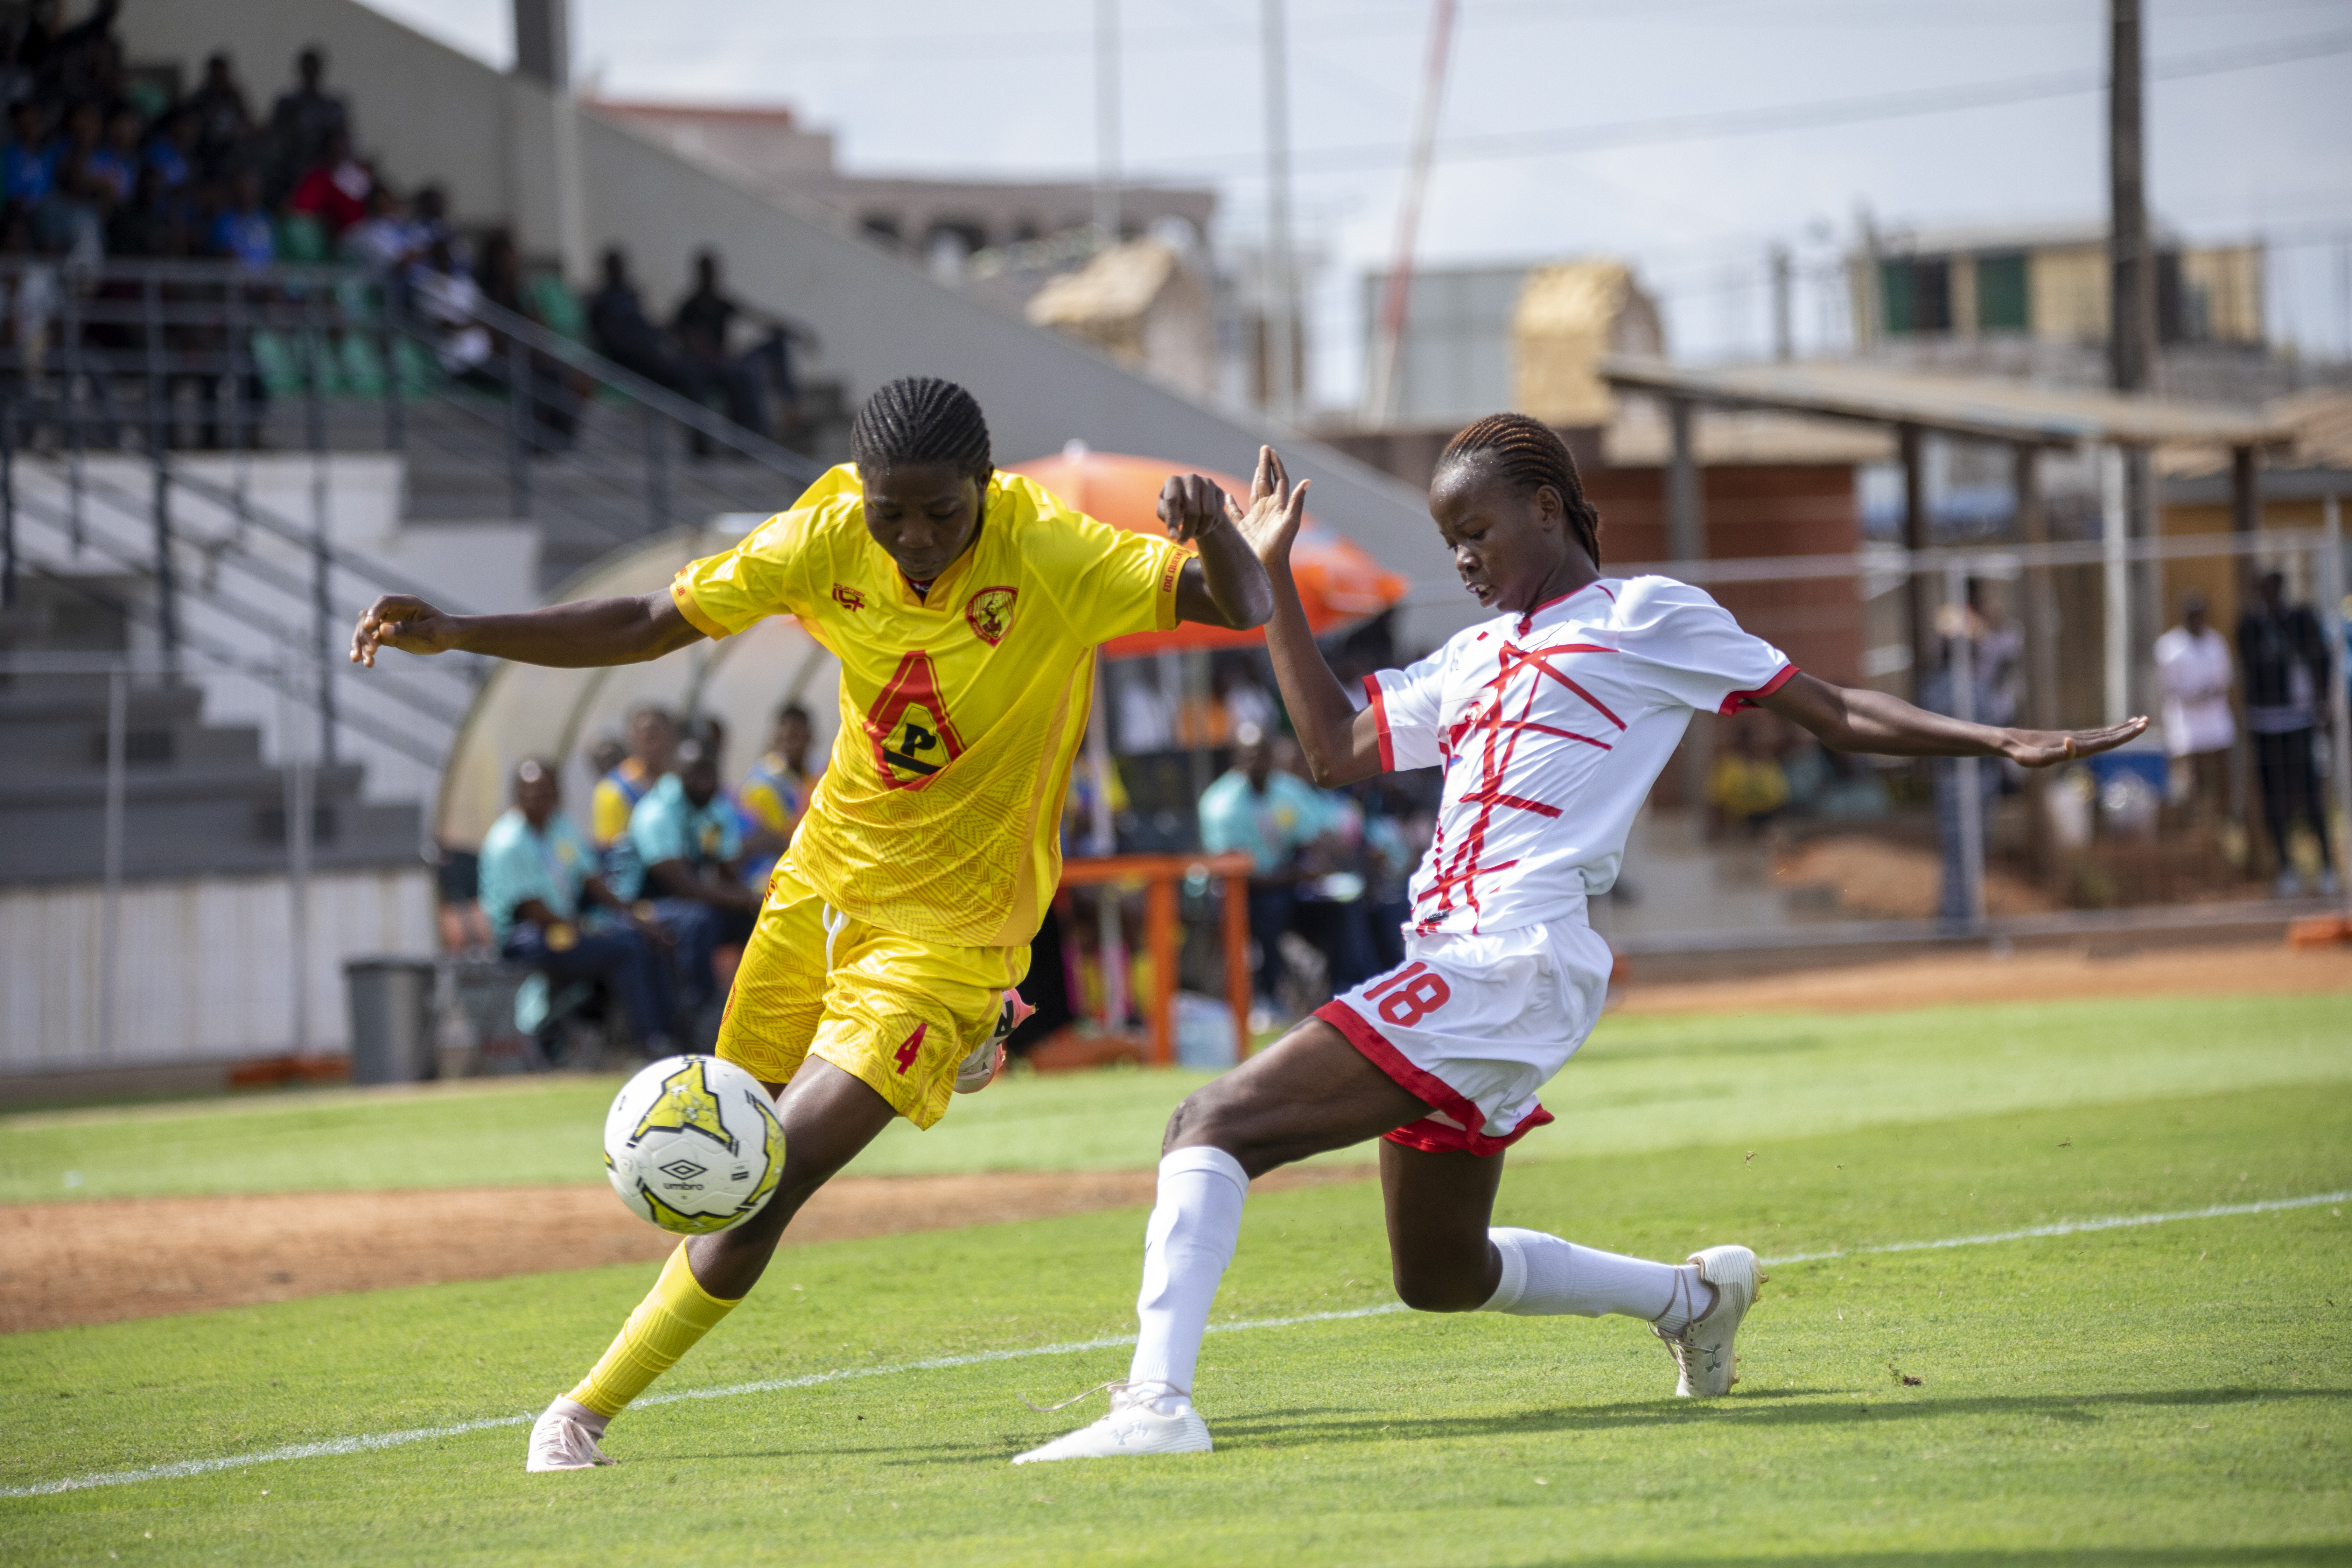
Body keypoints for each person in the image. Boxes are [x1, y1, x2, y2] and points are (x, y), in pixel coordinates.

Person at [1015, 415, 2145, 1464]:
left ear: (1549, 510)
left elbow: (1833, 709)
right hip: (1464, 971)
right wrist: (1263, 576)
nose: (1462, 557)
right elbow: (1332, 751)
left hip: (1508, 963)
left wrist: (1998, 738)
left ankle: (1157, 1408)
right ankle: (1692, 1302)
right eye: (1448, 539)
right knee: (1442, 1277)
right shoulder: (1469, 660)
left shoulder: (1644, 617)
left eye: (1477, 529)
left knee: (1207, 1121)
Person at [347, 374, 1278, 1472]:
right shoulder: (824, 532)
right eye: (894, 513)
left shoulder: (1052, 554)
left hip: (946, 937)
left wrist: (1220, 538)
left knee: (765, 1172)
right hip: (817, 895)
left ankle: (581, 1411)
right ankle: (965, 1042)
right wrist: (462, 630)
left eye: (944, 511)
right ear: (861, 491)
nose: (917, 536)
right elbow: (651, 619)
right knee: (715, 1166)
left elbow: (1238, 606)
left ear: (987, 489)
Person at [476, 758, 676, 1056]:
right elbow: (532, 910)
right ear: (517, 795)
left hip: (564, 925)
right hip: (526, 936)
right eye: (530, 791)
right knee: (624, 949)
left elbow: (592, 880)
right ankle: (649, 1041)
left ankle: (670, 1031)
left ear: (557, 792)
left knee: (645, 937)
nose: (538, 797)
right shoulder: (508, 841)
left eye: (545, 790)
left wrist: (635, 917)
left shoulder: (561, 826)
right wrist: (587, 928)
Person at [1198, 724, 1365, 1011]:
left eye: (1263, 755)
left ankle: (1343, 992)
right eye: (1250, 755)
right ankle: (1270, 997)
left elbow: (1314, 835)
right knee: (1271, 909)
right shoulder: (1221, 804)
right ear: (1237, 758)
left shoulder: (1287, 790)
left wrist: (1316, 861)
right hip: (1242, 894)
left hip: (1289, 885)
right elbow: (1234, 874)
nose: (1258, 763)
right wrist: (1293, 875)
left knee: (1340, 905)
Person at [627, 734, 761, 1020]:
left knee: (760, 919)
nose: (703, 780)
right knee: (700, 920)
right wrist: (749, 898)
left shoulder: (716, 807)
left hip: (692, 902)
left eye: (709, 771)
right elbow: (683, 886)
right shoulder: (657, 812)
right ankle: (701, 1009)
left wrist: (759, 904)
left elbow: (728, 872)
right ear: (676, 772)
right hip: (642, 907)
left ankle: (759, 1002)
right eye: (694, 772)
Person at [2238, 570, 2338, 898]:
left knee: (2310, 796)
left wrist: (2322, 706)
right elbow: (2248, 668)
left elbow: (2321, 661)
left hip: (2299, 721)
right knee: (2275, 800)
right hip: (2265, 723)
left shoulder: (2302, 620)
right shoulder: (2249, 627)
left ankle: (2326, 867)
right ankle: (2287, 868)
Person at [2154, 590, 2234, 819]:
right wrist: (2193, 695)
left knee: (2222, 775)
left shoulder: (2216, 643)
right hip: (2187, 723)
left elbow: (2224, 681)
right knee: (2191, 778)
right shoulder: (2170, 646)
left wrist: (2208, 693)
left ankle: (2222, 821)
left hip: (2216, 720)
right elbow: (2168, 686)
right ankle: (2195, 824)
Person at [738, 701, 821, 887]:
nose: (794, 745)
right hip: (767, 867)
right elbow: (776, 840)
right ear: (775, 739)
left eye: (799, 737)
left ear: (811, 738)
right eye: (788, 738)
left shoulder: (818, 773)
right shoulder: (761, 784)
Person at [267, 46, 349, 202]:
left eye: (314, 67)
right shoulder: (287, 106)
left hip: (324, 176)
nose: (311, 72)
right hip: (288, 174)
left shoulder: (333, 108)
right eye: (307, 67)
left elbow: (345, 145)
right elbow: (275, 141)